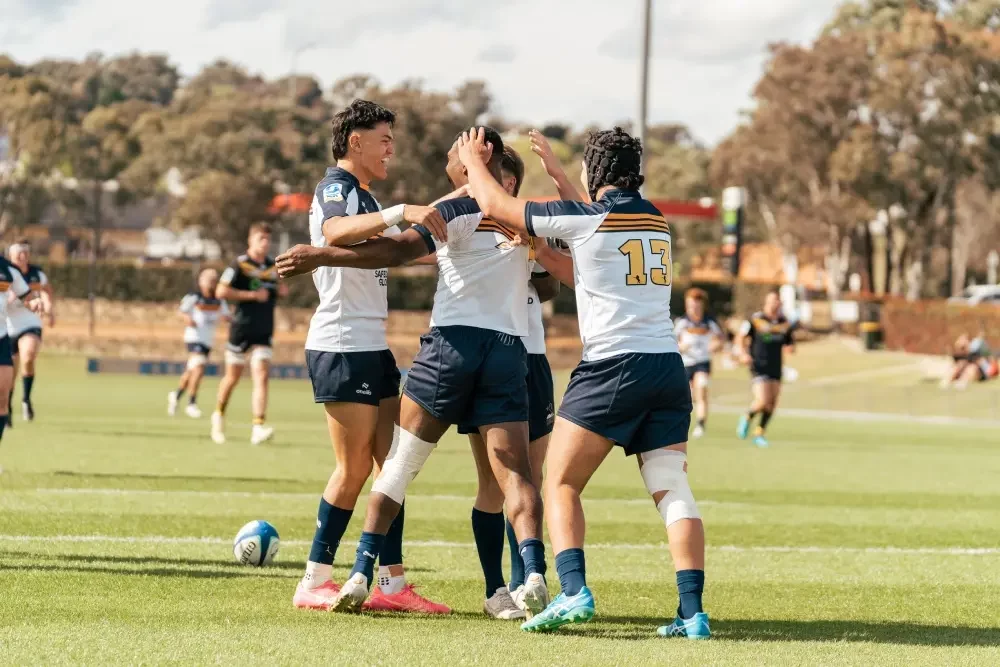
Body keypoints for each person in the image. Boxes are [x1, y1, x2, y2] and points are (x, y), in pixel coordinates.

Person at [275, 126, 552, 619]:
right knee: (515, 474)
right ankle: (531, 574)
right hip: (508, 352)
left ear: (470, 165)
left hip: (452, 349)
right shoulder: (525, 217)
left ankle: (361, 572)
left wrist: (318, 254)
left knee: (398, 465)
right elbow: (549, 285)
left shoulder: (458, 209)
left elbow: (399, 251)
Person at [457, 126, 709, 638]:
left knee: (560, 481)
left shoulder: (588, 216)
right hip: (666, 369)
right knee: (672, 489)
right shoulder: (654, 219)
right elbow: (585, 264)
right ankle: (693, 613)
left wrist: (472, 161)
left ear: (593, 173)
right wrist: (550, 197)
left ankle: (573, 592)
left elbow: (494, 202)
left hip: (613, 369)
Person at [292, 99, 448, 614]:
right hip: (340, 342)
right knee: (354, 467)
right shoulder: (336, 187)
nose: (391, 149)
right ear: (354, 141)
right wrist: (402, 210)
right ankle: (314, 579)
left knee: (392, 466)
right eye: (384, 139)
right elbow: (335, 233)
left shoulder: (365, 194)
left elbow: (393, 249)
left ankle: (393, 586)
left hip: (371, 345)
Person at [443, 143, 560, 619]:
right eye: (498, 176)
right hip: (491, 359)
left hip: (533, 361)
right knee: (495, 483)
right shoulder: (468, 223)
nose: (506, 185)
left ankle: (527, 581)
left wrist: (532, 249)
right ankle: (498, 590)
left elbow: (552, 287)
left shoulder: (527, 224)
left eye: (511, 179)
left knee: (532, 480)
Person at [211, 223, 286, 446]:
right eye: (261, 238)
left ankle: (258, 426)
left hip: (264, 329)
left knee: (261, 374)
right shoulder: (239, 264)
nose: (265, 243)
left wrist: (280, 291)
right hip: (241, 328)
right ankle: (218, 415)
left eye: (268, 239)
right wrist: (252, 295)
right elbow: (221, 291)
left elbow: (275, 289)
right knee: (232, 377)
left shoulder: (273, 266)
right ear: (250, 240)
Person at [734, 290, 797, 448]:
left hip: (775, 366)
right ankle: (747, 417)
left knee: (772, 403)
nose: (775, 303)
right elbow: (740, 337)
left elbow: (790, 342)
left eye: (777, 301)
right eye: (772, 301)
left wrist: (790, 348)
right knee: (762, 400)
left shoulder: (784, 323)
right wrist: (742, 354)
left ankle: (759, 433)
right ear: (766, 303)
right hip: (758, 365)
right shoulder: (756, 320)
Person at [167, 268, 230, 419]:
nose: (212, 282)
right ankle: (191, 403)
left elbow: (227, 315)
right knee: (199, 368)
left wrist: (230, 320)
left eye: (214, 280)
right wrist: (187, 318)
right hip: (194, 337)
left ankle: (176, 395)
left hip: (208, 340)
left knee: (192, 371)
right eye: (209, 279)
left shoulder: (219, 299)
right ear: (202, 280)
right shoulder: (194, 296)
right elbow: (181, 311)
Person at [0, 254, 44, 465]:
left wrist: (34, 302)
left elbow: (25, 294)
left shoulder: (7, 269)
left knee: (3, 394)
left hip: (1, 337)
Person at [5, 241, 54, 425]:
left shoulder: (36, 274)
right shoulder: (5, 273)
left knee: (28, 356)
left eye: (26, 253)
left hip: (30, 322)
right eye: (19, 254)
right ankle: (7, 406)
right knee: (10, 373)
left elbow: (46, 290)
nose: (23, 257)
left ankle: (25, 399)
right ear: (11, 256)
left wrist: (47, 305)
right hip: (8, 326)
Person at [674, 289, 725, 438]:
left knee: (701, 390)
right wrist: (680, 347)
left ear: (702, 305)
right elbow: (671, 342)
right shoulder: (682, 322)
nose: (693, 308)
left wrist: (716, 345)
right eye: (690, 305)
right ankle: (681, 424)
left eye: (696, 305)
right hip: (685, 363)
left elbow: (721, 339)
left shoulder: (709, 322)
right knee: (687, 396)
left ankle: (701, 424)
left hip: (703, 362)